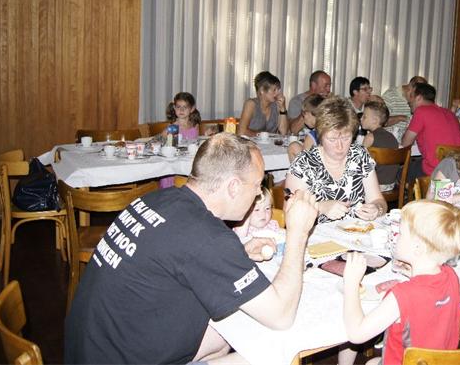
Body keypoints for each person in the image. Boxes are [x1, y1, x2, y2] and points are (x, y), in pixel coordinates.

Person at [64, 133, 319, 364]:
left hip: (90, 350)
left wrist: (238, 254)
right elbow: (281, 315)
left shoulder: (158, 199)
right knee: (274, 351)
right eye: (256, 186)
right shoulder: (207, 236)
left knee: (223, 335)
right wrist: (297, 234)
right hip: (123, 355)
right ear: (233, 187)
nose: (257, 195)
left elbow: (181, 256)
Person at [342, 200, 460, 365]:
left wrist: (351, 283)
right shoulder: (450, 275)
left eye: (401, 233)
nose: (395, 236)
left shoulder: (403, 295)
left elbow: (356, 334)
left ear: (417, 248)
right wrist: (414, 274)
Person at [286, 96, 387, 223]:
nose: (340, 146)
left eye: (346, 138)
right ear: (320, 136)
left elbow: (378, 200)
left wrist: (377, 209)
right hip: (317, 233)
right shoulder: (304, 164)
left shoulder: (360, 156)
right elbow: (290, 213)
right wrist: (320, 207)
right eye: (332, 139)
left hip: (356, 231)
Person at [401, 82, 460, 179]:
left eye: (411, 96)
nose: (409, 101)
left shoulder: (421, 111)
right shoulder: (449, 113)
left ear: (418, 98)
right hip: (458, 171)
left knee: (399, 173)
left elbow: (405, 143)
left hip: (435, 170)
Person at [158, 92, 202, 188]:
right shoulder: (172, 128)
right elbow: (159, 142)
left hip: (189, 166)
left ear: (192, 109)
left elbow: (195, 143)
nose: (181, 110)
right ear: (174, 108)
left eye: (185, 107)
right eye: (178, 107)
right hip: (172, 168)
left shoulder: (195, 126)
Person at [360, 100, 400, 192]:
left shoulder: (370, 137)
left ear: (375, 120)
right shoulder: (392, 137)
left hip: (375, 186)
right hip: (391, 185)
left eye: (364, 116)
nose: (361, 119)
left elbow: (359, 163)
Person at [239, 71, 288, 136]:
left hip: (270, 142)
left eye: (278, 89)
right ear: (262, 90)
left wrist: (283, 108)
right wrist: (265, 136)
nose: (277, 93)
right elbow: (241, 132)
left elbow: (283, 132)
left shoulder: (277, 105)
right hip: (251, 142)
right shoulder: (251, 104)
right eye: (274, 90)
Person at [287, 94, 325, 161]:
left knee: (292, 146)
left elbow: (306, 164)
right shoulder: (328, 130)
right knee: (295, 146)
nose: (303, 118)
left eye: (303, 114)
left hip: (317, 166)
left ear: (308, 114)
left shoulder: (311, 137)